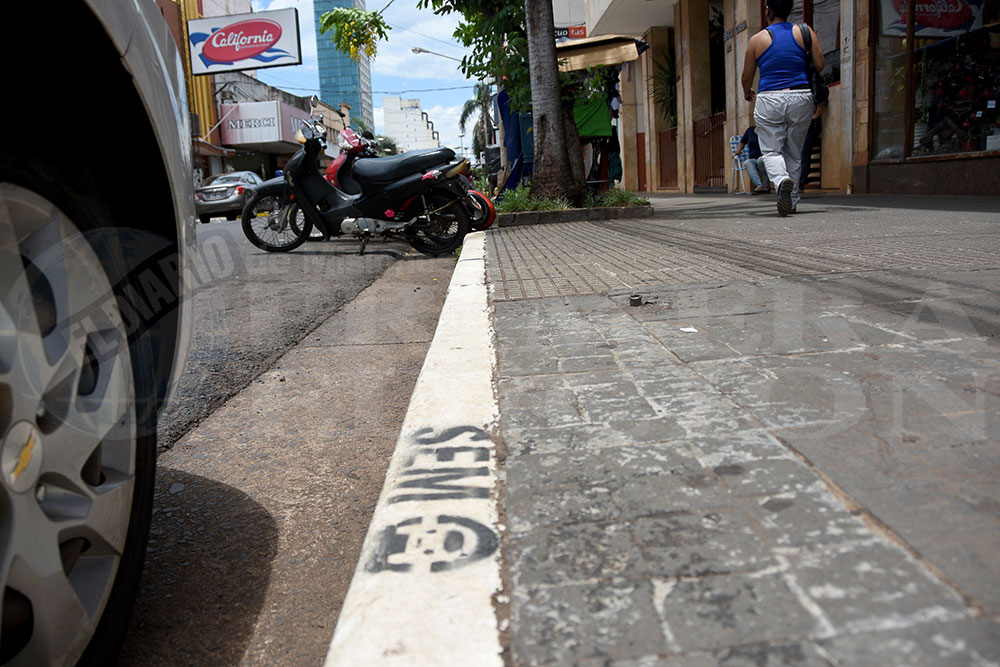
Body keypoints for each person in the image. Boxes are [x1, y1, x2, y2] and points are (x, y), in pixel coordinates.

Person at [741, 0, 825, 217]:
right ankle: (792, 200)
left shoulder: (757, 39)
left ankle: (780, 181)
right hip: (801, 96)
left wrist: (747, 91)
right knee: (794, 152)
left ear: (767, 9)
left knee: (770, 150)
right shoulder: (805, 32)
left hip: (769, 98)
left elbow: (746, 76)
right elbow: (820, 64)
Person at [736, 124, 771, 194]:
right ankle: (759, 185)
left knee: (760, 161)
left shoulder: (766, 129)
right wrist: (739, 149)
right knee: (747, 162)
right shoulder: (750, 130)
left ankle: (766, 185)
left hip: (764, 156)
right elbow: (742, 142)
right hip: (753, 158)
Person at [799, 101, 826, 190]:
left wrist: (814, 117)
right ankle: (799, 181)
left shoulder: (814, 90)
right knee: (801, 154)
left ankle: (800, 182)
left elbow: (822, 103)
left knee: (805, 153)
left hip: (810, 124)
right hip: (802, 124)